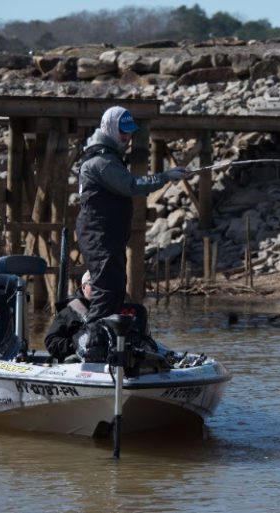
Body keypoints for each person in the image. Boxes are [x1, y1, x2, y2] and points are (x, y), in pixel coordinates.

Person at [76, 105, 186, 353]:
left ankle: (109, 345)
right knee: (106, 290)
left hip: (108, 236)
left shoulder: (108, 157)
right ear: (110, 129)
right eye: (123, 132)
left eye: (129, 133)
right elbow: (131, 185)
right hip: (98, 235)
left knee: (116, 289)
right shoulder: (101, 162)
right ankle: (91, 346)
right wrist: (166, 176)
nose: (126, 138)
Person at [44, 271, 93, 362]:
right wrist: (74, 344)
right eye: (92, 284)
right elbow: (51, 342)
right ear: (83, 287)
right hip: (77, 363)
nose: (97, 289)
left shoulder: (112, 311)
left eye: (100, 285)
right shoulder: (68, 312)